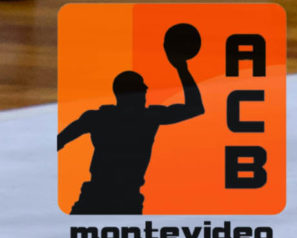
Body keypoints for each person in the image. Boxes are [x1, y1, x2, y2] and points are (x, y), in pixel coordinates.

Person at [58, 46, 204, 214]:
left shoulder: (98, 118)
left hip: (102, 198)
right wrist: (181, 68)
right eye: (142, 88)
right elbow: (195, 107)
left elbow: (60, 140)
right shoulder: (148, 117)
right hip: (119, 200)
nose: (146, 90)